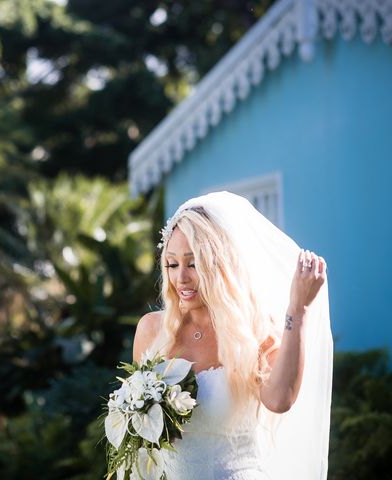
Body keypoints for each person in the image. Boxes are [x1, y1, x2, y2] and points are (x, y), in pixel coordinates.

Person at [133, 191, 332, 480]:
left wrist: (297, 309)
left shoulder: (254, 331)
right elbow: (142, 436)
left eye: (193, 263)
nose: (181, 278)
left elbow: (280, 399)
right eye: (172, 264)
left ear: (219, 263)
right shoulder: (151, 330)